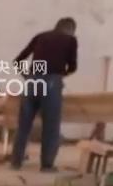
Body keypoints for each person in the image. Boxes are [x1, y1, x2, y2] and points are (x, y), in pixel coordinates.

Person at [10, 17, 78, 172]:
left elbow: (18, 60)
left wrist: (28, 76)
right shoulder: (70, 40)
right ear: (71, 29)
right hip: (51, 83)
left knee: (23, 125)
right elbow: (73, 66)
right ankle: (47, 165)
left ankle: (16, 162)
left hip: (32, 80)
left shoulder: (40, 36)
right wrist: (60, 76)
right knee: (50, 127)